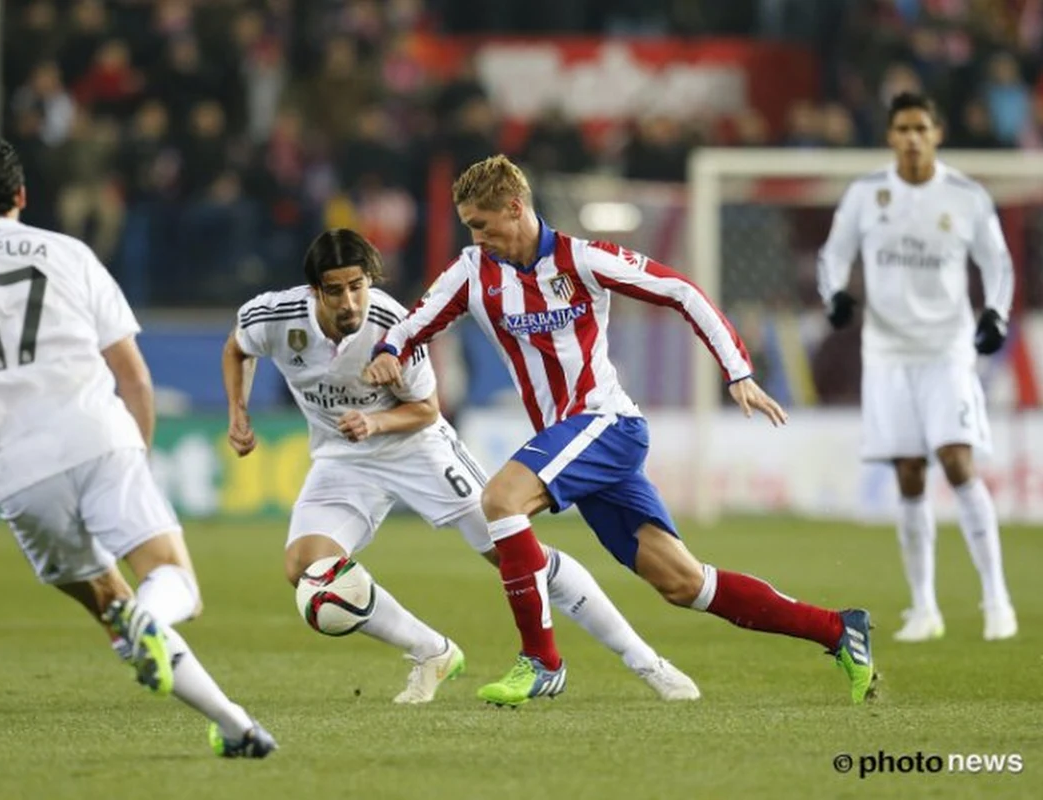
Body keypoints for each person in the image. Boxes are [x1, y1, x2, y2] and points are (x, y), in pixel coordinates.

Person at [364, 154, 876, 707]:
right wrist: (389, 351)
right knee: (684, 584)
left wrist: (738, 371)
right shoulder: (471, 272)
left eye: (482, 223)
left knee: (501, 500)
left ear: (515, 208)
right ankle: (838, 629)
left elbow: (681, 291)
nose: (476, 236)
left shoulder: (582, 260)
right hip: (576, 442)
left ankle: (541, 662)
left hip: (606, 423)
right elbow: (412, 325)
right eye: (470, 226)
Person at [0, 134, 276, 758]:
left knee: (117, 608)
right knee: (171, 585)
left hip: (18, 475)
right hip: (97, 435)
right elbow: (134, 376)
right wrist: (132, 456)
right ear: (22, 196)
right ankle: (156, 625)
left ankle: (237, 727)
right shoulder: (69, 253)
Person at [222, 227, 699, 706]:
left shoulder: (392, 323)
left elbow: (427, 408)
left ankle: (645, 661)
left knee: (512, 553)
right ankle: (432, 651)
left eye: (358, 286)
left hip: (417, 448)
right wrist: (238, 413)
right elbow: (237, 349)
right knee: (306, 567)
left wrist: (374, 420)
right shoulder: (274, 316)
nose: (350, 302)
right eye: (335, 290)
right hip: (342, 458)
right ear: (314, 291)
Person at [818, 92, 1017, 643]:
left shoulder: (966, 196)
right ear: (889, 136)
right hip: (886, 354)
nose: (911, 137)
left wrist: (996, 314)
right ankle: (924, 607)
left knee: (956, 460)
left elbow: (996, 263)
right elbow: (832, 255)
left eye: (920, 128)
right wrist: (834, 294)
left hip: (947, 350)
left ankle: (996, 599)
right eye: (902, 128)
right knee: (909, 472)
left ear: (937, 133)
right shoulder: (866, 194)